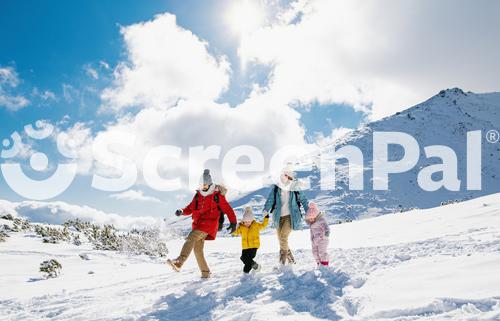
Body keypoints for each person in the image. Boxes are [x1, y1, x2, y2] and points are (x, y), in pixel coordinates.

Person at [167, 169, 237, 278]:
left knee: (191, 237)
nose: (203, 187)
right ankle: (206, 273)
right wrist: (182, 211)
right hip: (198, 224)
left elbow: (228, 209)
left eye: (205, 185)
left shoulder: (217, 196)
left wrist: (233, 222)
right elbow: (190, 208)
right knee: (197, 251)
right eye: (202, 185)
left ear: (210, 184)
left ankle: (179, 262)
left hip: (209, 225)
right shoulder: (198, 195)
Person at [263, 165, 309, 265]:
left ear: (288, 176)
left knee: (283, 237)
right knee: (281, 240)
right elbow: (270, 199)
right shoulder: (276, 188)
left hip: (290, 217)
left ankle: (282, 262)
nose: (281, 177)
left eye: (283, 175)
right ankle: (291, 259)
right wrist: (266, 209)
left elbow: (304, 200)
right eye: (281, 175)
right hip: (278, 216)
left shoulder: (295, 188)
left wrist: (308, 211)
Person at [232, 206, 269, 274]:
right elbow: (236, 232)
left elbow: (264, 225)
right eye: (245, 221)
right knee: (243, 258)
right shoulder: (241, 227)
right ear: (243, 221)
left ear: (252, 220)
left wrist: (266, 217)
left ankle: (245, 273)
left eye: (249, 221)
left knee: (247, 260)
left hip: (254, 246)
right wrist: (232, 229)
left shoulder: (256, 225)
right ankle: (256, 267)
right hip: (245, 247)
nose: (247, 223)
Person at [305, 201, 330, 267]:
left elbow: (326, 226)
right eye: (309, 218)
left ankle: (324, 264)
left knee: (322, 252)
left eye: (312, 218)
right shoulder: (311, 223)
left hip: (322, 239)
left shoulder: (321, 220)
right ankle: (319, 264)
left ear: (315, 216)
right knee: (315, 253)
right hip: (314, 241)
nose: (310, 220)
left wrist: (327, 232)